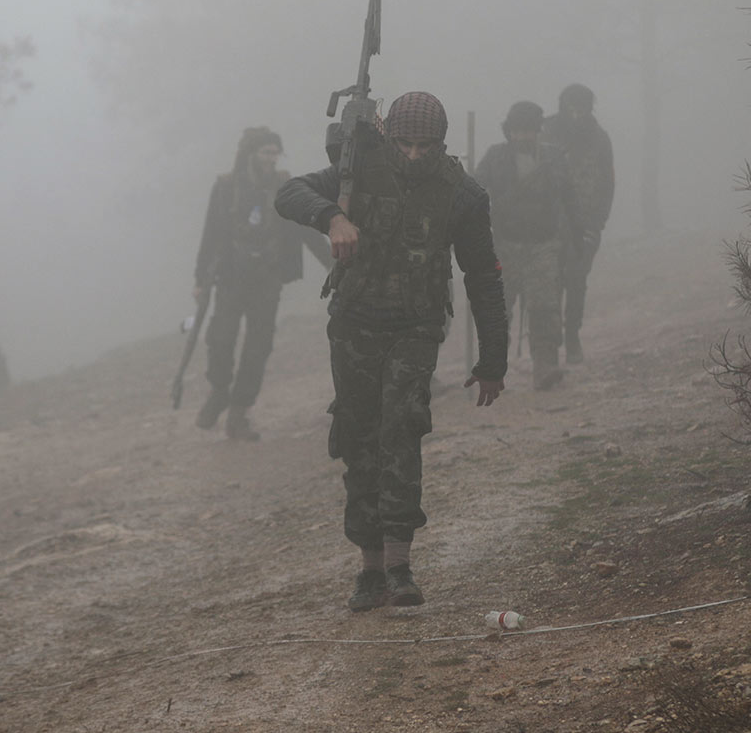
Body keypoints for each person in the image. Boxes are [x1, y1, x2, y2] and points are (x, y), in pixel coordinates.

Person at [275, 91, 509, 612]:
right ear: (388, 137)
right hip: (354, 324)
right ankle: (370, 567)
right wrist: (332, 217)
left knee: (401, 428)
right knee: (358, 436)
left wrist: (493, 360)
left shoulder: (462, 194)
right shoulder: (357, 167)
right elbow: (288, 194)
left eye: (425, 146)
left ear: (441, 143)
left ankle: (401, 562)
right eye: (403, 143)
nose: (413, 155)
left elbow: (483, 277)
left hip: (416, 327)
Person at [192, 127, 334, 440]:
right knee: (220, 339)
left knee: (258, 347)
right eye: (265, 152)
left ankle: (239, 413)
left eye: (274, 153)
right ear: (250, 154)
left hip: (267, 281)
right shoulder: (227, 187)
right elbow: (211, 233)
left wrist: (333, 264)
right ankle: (219, 391)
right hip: (230, 279)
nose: (271, 159)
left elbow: (306, 229)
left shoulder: (285, 187)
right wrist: (200, 279)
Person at [475, 101, 582, 390]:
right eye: (517, 131)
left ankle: (545, 365)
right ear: (508, 131)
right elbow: (474, 192)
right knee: (498, 311)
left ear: (538, 131)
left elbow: (570, 199)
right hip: (504, 245)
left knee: (545, 307)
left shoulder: (554, 159)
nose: (522, 137)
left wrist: (579, 237)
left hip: (544, 244)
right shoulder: (495, 158)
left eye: (529, 131)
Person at [541, 83, 614, 364]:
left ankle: (572, 338)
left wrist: (598, 222)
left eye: (581, 107)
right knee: (550, 283)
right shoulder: (544, 132)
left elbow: (608, 183)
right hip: (547, 224)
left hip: (585, 225)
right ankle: (549, 343)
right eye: (571, 106)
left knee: (576, 281)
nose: (576, 114)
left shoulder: (600, 139)